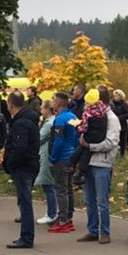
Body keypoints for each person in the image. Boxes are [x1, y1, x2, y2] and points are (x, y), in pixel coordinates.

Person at [77, 86, 120, 244]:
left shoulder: (111, 118)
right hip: (88, 161)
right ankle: (92, 230)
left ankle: (104, 231)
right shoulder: (91, 115)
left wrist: (90, 145)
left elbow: (111, 142)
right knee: (89, 199)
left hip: (102, 162)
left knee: (101, 200)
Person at [3, 90, 40, 249]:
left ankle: (26, 237)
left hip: (23, 166)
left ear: (10, 104)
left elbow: (20, 148)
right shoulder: (27, 119)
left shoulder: (20, 123)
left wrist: (9, 163)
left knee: (25, 202)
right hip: (29, 164)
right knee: (23, 201)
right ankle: (26, 236)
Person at [48, 91, 77, 233]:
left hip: (61, 158)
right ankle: (68, 216)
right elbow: (77, 136)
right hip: (72, 156)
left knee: (60, 189)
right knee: (68, 188)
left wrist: (53, 157)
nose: (51, 102)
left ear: (58, 103)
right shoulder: (73, 117)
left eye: (53, 100)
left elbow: (58, 141)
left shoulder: (59, 119)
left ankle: (63, 219)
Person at [34, 99, 57, 224]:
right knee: (49, 185)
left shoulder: (49, 124)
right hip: (45, 154)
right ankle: (52, 212)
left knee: (48, 186)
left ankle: (51, 213)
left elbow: (39, 137)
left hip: (46, 155)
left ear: (48, 110)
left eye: (42, 108)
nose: (40, 110)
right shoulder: (48, 122)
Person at [111, 89, 128, 156]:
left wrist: (119, 118)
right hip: (113, 124)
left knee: (122, 139)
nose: (115, 97)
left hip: (122, 125)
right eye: (114, 96)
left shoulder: (124, 104)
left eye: (117, 96)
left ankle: (122, 153)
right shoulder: (112, 104)